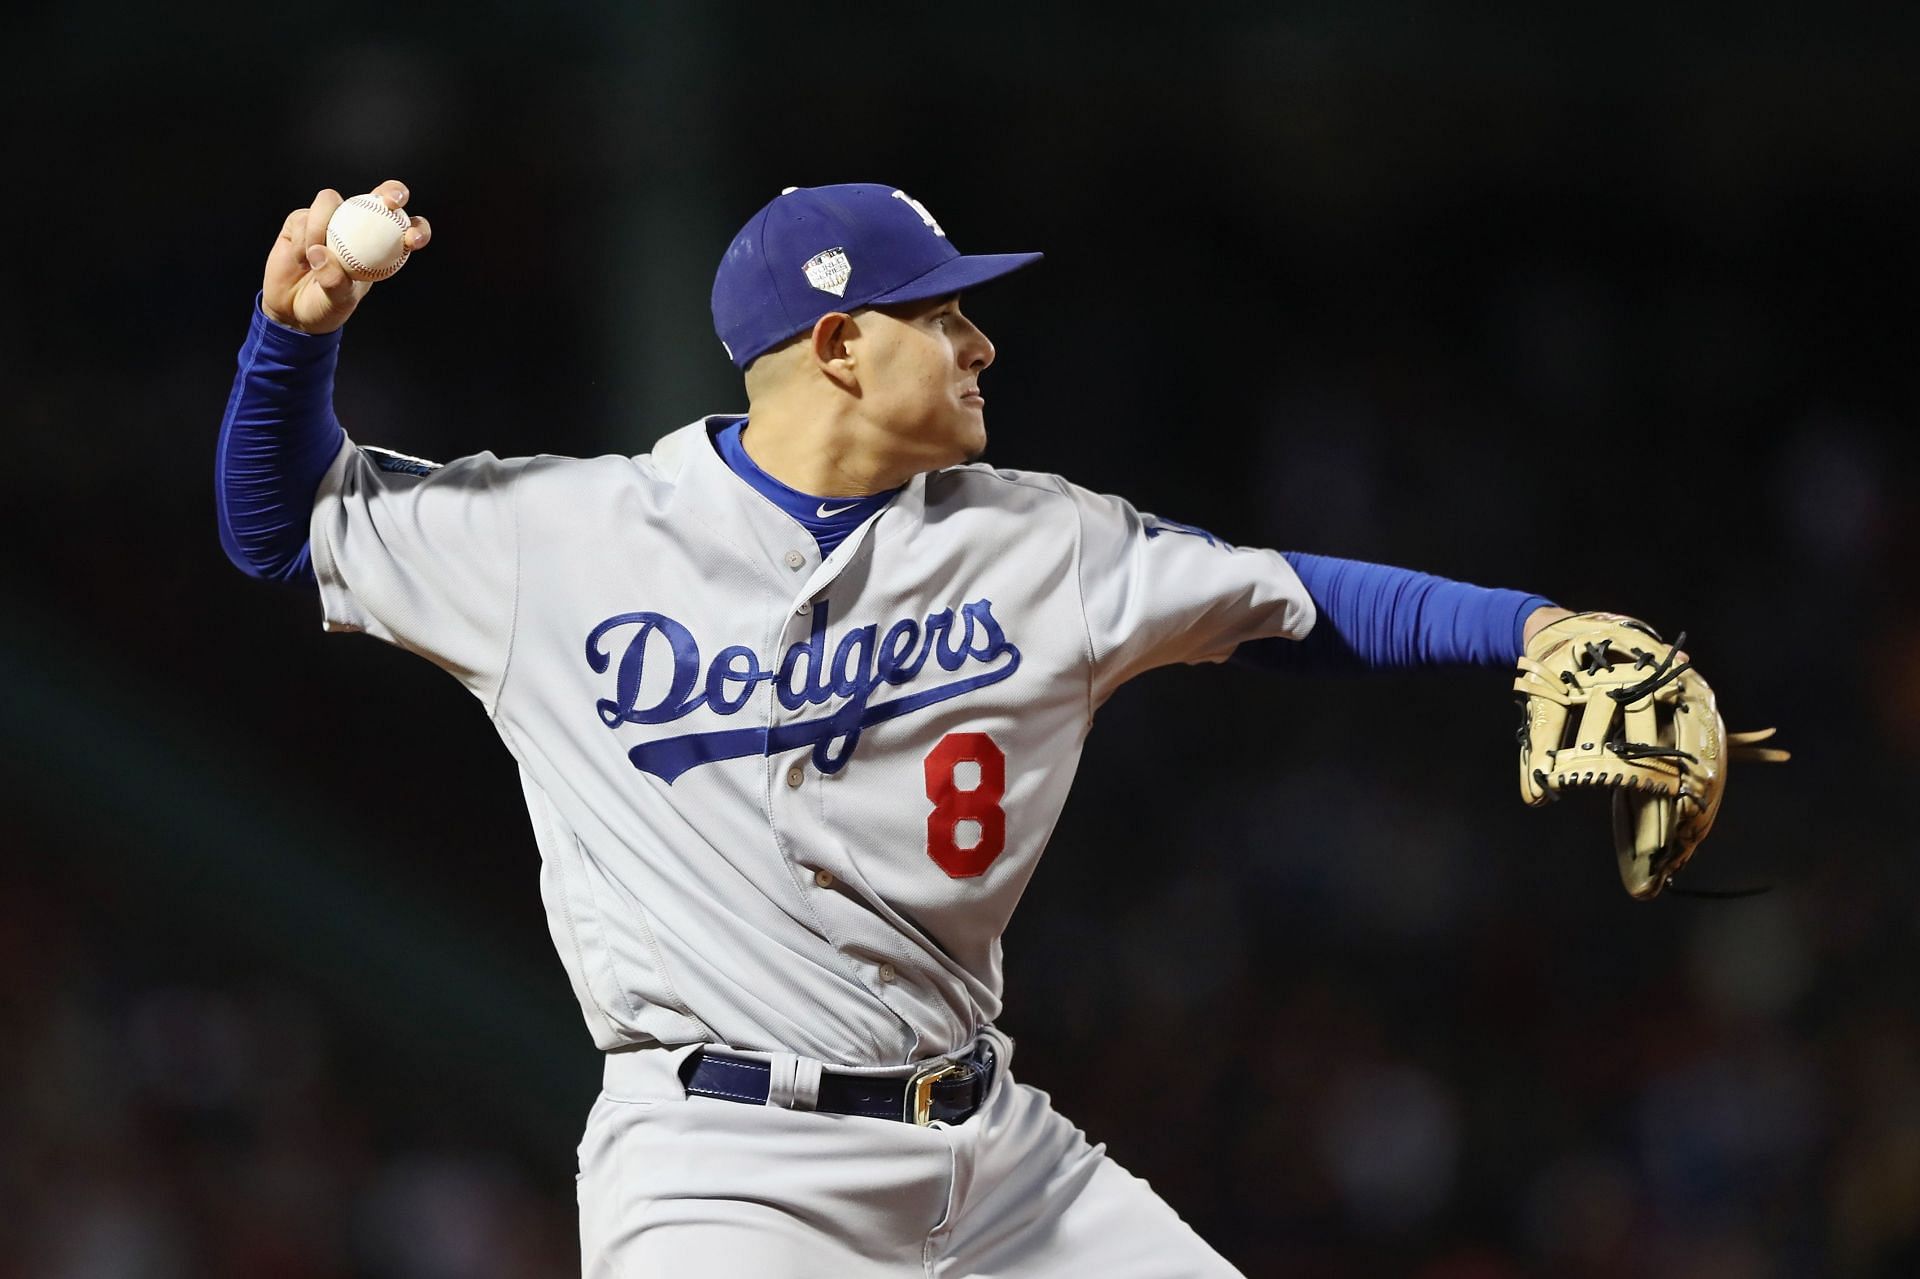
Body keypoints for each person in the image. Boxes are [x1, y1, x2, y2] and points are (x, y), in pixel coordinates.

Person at [219, 179, 1576, 1276]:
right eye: (942, 315)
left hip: (994, 1156)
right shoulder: (561, 538)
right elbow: (283, 530)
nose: (981, 344)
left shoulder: (1041, 538)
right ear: (838, 345)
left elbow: (1296, 603)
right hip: (724, 1173)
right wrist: (298, 338)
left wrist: (1535, 631)